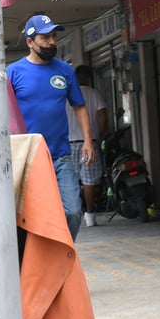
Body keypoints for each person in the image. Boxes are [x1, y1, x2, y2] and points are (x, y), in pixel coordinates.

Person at [7, 15, 94, 241]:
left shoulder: (65, 70)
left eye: (54, 36)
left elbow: (79, 107)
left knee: (73, 211)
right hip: (28, 159)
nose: (52, 42)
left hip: (60, 157)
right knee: (29, 219)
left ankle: (63, 254)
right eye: (45, 37)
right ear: (30, 42)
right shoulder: (13, 72)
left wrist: (87, 140)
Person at [66, 64, 108, 227]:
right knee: (89, 180)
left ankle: (73, 212)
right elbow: (102, 114)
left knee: (71, 180)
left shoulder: (66, 94)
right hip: (89, 142)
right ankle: (90, 215)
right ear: (89, 77)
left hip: (69, 142)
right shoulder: (93, 93)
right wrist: (100, 134)